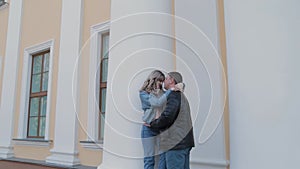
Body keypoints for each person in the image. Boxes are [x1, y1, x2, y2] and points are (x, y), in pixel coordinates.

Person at [149, 71, 195, 169]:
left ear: (171, 80)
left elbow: (167, 116)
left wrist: (153, 124)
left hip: (175, 143)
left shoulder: (174, 95)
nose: (163, 82)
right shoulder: (180, 95)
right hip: (182, 142)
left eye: (166, 79)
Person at [139, 70, 171, 169]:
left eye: (162, 81)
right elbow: (157, 103)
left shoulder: (162, 93)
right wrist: (170, 90)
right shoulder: (143, 94)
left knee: (163, 156)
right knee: (149, 158)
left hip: (160, 128)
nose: (161, 83)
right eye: (159, 81)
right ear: (153, 80)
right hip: (148, 129)